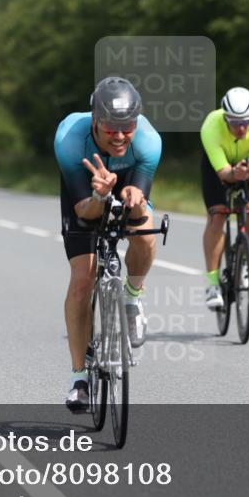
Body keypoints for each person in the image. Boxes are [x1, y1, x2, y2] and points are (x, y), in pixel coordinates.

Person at [55, 76, 162, 412]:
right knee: (82, 281)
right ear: (95, 120)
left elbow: (140, 206)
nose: (119, 136)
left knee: (145, 231)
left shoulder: (148, 141)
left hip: (128, 181)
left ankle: (133, 297)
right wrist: (101, 195)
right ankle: (79, 379)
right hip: (88, 191)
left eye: (126, 127)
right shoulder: (70, 140)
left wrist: (135, 199)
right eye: (110, 128)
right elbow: (83, 211)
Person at [199, 87, 249, 310]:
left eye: (245, 122)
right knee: (218, 217)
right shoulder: (211, 127)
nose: (241, 128)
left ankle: (246, 259)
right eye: (234, 122)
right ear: (225, 118)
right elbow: (223, 174)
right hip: (218, 167)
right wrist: (233, 173)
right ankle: (213, 284)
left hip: (247, 164)